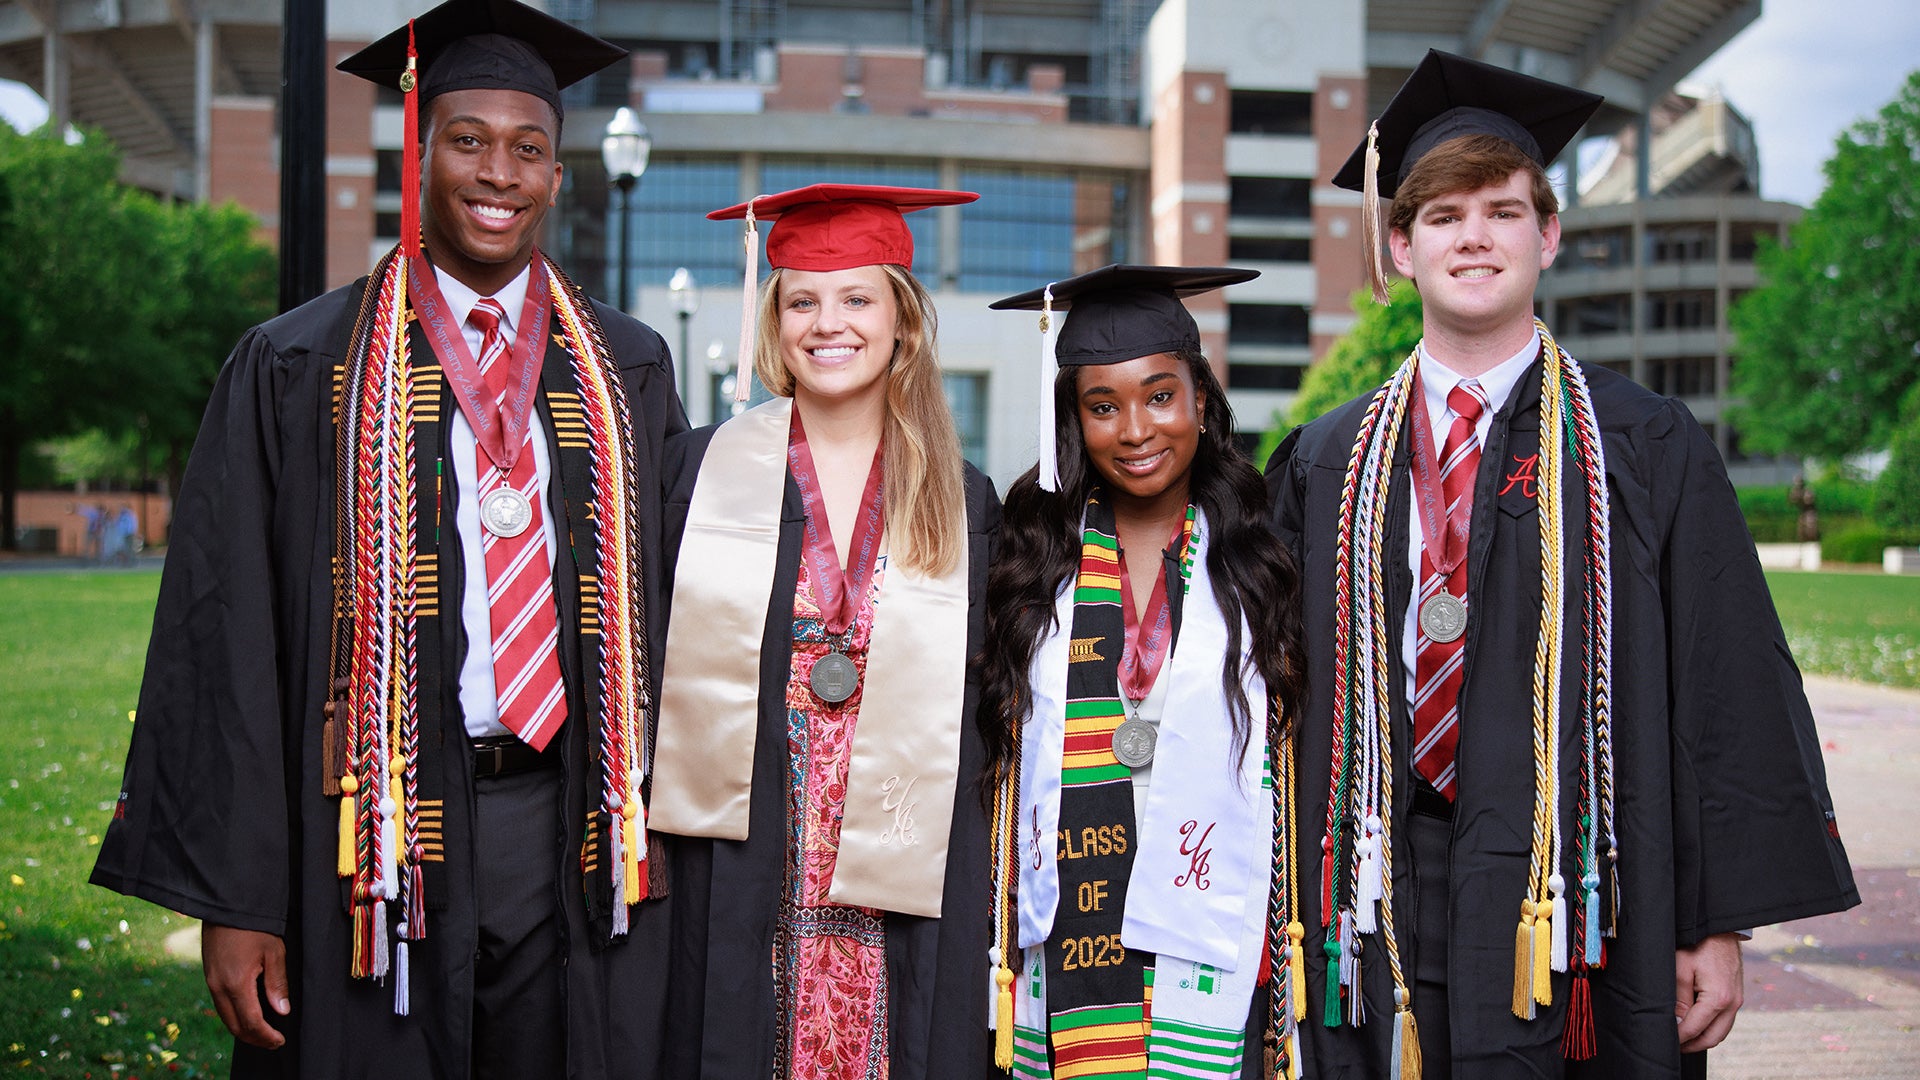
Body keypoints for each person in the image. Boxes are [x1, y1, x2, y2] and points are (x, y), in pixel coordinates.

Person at [89, 1, 686, 1076]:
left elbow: (684, 604)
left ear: (557, 174)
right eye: (467, 140)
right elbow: (229, 639)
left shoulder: (627, 368)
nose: (497, 173)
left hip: (565, 831)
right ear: (420, 152)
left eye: (528, 148)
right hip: (369, 838)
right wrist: (237, 898)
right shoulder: (297, 366)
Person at [1263, 50, 1858, 1078]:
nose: (1474, 237)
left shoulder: (1642, 443)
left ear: (1549, 234)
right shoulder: (1326, 458)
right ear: (1399, 246)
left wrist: (1717, 924)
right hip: (1372, 888)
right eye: (1443, 217)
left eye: (1501, 210)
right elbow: (1266, 691)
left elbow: (1725, 683)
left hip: (1589, 898)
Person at [649, 184, 999, 1078]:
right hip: (746, 857)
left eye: (856, 298)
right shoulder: (701, 472)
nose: (827, 323)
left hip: (903, 861)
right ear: (774, 318)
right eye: (802, 299)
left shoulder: (959, 498)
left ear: (901, 321)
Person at [977, 265, 1308, 1076]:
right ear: (1074, 419)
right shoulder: (1030, 564)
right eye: (1102, 405)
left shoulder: (1259, 564)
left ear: (1200, 399)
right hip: (1067, 932)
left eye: (1160, 395)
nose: (1134, 429)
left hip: (1213, 925)